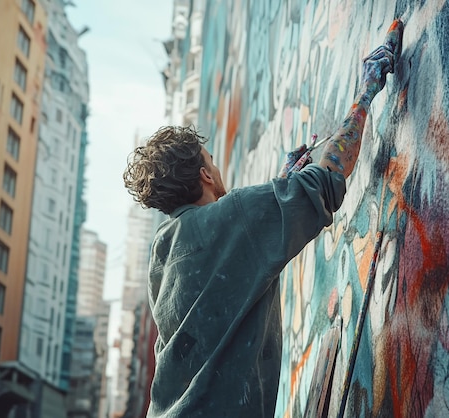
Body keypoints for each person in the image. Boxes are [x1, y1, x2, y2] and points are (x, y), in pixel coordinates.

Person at [123, 19, 403, 418]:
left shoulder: (163, 253)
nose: (217, 169)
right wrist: (366, 92)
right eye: (211, 162)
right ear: (204, 175)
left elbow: (232, 263)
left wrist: (285, 182)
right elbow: (326, 180)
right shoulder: (232, 217)